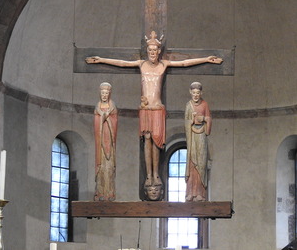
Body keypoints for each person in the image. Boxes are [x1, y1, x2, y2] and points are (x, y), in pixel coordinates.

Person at [86, 31, 222, 199]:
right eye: (149, 50)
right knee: (147, 140)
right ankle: (149, 175)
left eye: (154, 50)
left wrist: (206, 59)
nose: (152, 53)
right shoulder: (141, 64)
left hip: (157, 108)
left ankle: (156, 174)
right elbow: (122, 63)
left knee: (156, 144)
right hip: (145, 109)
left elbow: (184, 63)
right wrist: (101, 60)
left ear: (158, 51)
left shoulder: (163, 65)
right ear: (147, 51)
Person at [185, 82, 211, 202]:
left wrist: (204, 119)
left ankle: (200, 193)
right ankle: (190, 192)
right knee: (192, 164)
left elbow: (209, 119)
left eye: (198, 93)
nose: (195, 95)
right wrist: (191, 121)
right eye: (193, 93)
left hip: (201, 136)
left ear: (201, 93)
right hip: (192, 137)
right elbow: (186, 122)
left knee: (201, 163)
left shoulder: (204, 104)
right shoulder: (188, 105)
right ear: (190, 93)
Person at [94, 82, 118, 201]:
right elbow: (97, 122)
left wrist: (108, 117)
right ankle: (100, 192)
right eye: (102, 93)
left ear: (109, 94)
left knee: (109, 168)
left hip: (110, 140)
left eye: (106, 93)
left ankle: (110, 192)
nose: (104, 95)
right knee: (101, 168)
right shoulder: (97, 106)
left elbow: (114, 121)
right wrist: (102, 116)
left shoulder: (112, 106)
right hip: (100, 143)